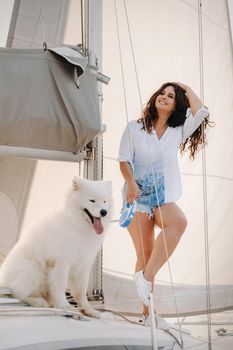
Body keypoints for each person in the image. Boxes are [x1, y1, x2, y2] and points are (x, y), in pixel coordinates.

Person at [118, 82, 211, 320]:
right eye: (162, 92)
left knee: (178, 222)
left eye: (171, 96)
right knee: (146, 255)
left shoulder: (177, 130)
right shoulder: (134, 128)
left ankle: (145, 278)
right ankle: (148, 314)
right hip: (136, 197)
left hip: (163, 198)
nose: (164, 97)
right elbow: (124, 161)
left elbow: (200, 111)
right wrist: (131, 183)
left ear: (176, 105)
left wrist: (184, 87)